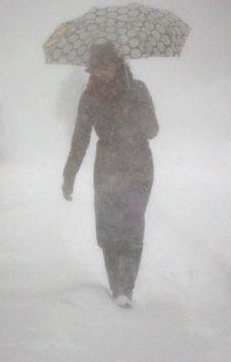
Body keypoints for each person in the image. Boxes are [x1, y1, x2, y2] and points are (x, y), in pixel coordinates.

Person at [62, 41, 159, 309]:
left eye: (105, 66)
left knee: (131, 229)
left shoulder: (137, 90)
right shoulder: (89, 97)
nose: (101, 72)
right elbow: (80, 139)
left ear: (118, 64)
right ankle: (115, 285)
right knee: (107, 231)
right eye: (96, 68)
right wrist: (69, 172)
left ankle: (125, 288)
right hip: (106, 170)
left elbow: (153, 130)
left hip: (138, 169)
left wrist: (135, 109)